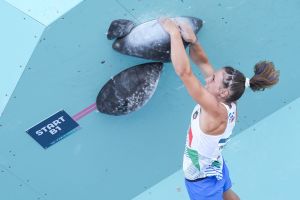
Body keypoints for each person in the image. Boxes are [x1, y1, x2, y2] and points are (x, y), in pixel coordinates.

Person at [159, 18, 279, 200]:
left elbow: (185, 73)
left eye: (213, 79)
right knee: (229, 196)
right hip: (215, 166)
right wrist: (193, 41)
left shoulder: (216, 112)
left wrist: (174, 34)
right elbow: (204, 63)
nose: (208, 78)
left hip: (203, 181)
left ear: (222, 92)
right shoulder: (230, 101)